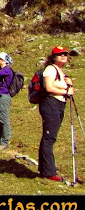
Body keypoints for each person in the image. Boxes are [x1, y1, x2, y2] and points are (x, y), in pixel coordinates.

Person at [38, 46, 75, 182]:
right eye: (60, 54)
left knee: (49, 137)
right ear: (53, 57)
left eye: (65, 54)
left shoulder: (60, 70)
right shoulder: (50, 69)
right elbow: (49, 87)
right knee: (49, 138)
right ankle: (49, 172)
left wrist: (68, 84)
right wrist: (66, 91)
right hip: (51, 104)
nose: (63, 56)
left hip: (58, 104)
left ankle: (45, 168)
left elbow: (59, 86)